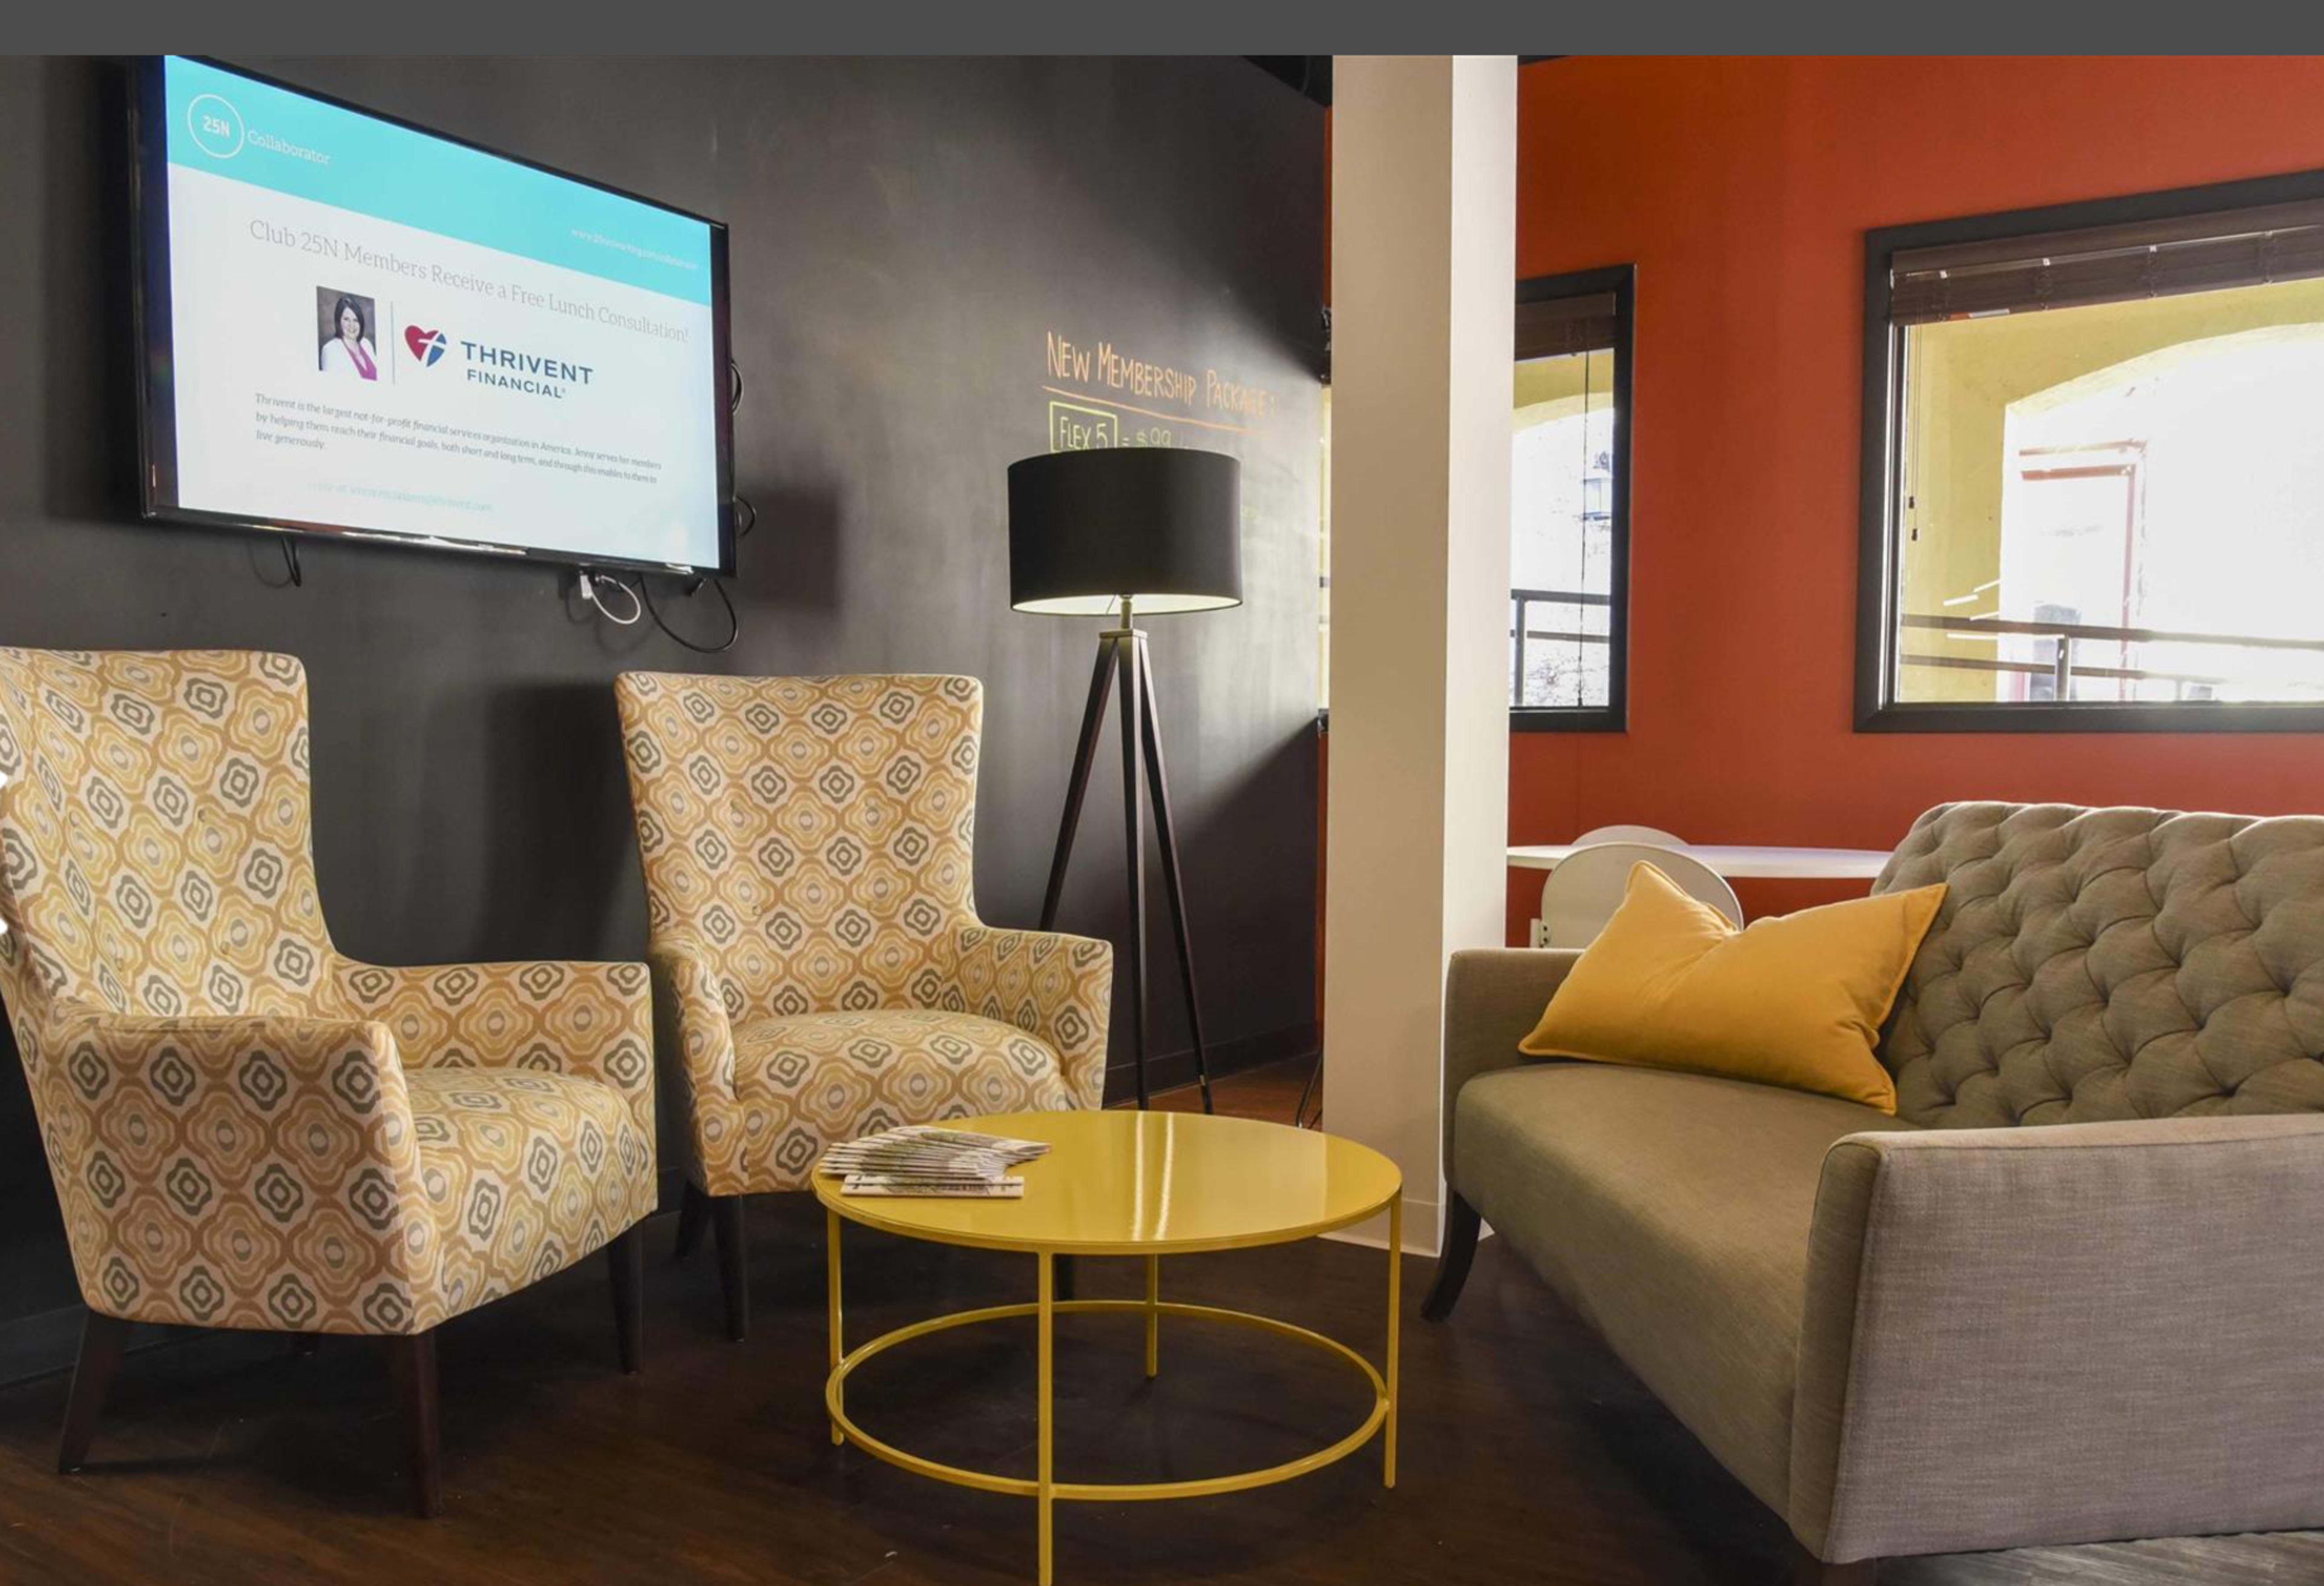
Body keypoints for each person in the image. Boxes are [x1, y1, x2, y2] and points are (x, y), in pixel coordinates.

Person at [319, 295, 378, 380]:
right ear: (338, 321)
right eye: (346, 319)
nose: (352, 325)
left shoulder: (367, 344)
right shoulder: (330, 350)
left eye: (356, 320)